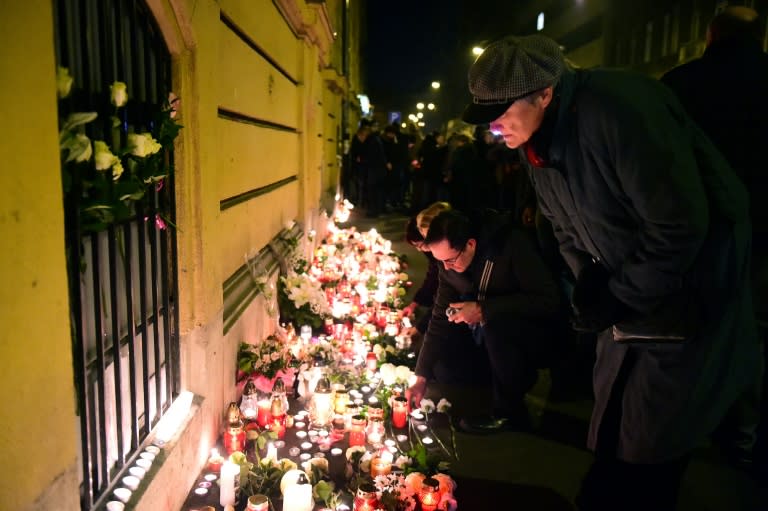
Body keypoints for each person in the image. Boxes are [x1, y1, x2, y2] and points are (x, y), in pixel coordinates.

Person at [461, 34, 759, 510]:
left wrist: (621, 293)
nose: (495, 127)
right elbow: (563, 228)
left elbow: (680, 225)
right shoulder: (535, 139)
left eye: (501, 112)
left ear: (544, 92)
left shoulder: (618, 112)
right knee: (616, 438)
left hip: (688, 304)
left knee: (649, 453)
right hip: (632, 307)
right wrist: (589, 285)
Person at [661, 6, 768, 473]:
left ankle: (681, 431)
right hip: (763, 231)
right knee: (755, 330)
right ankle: (745, 440)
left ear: (710, 35)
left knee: (695, 328)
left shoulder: (682, 83)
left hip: (699, 229)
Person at [406, 208, 567, 433]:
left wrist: (485, 309)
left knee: (495, 323)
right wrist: (421, 376)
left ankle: (509, 413)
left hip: (531, 333)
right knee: (444, 368)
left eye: (450, 260)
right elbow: (439, 317)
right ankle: (495, 377)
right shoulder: (448, 264)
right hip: (486, 337)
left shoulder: (510, 245)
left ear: (470, 244)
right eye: (439, 261)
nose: (446, 268)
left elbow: (548, 301)